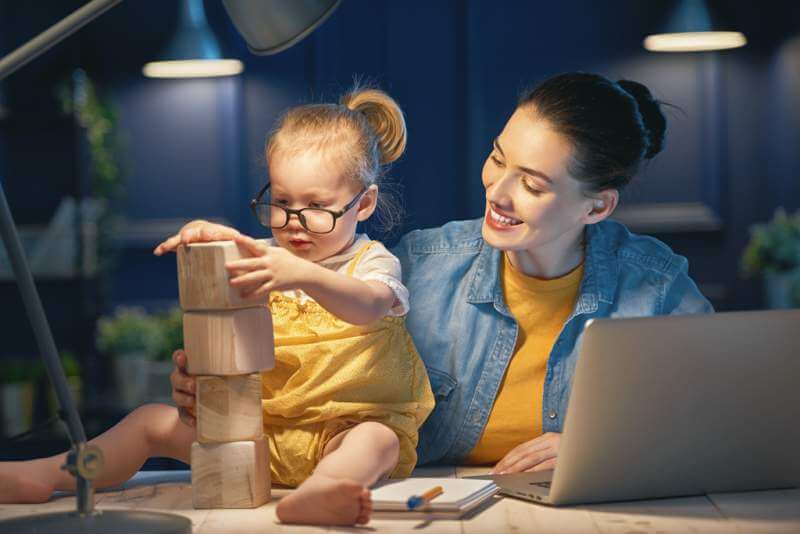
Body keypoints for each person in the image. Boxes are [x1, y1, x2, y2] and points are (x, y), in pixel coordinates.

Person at [163, 72, 713, 478]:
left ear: (596, 208)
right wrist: (222, 390)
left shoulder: (657, 288)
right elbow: (319, 382)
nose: (496, 192)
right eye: (498, 158)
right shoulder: (419, 267)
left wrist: (606, 448)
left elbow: (734, 424)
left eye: (534, 184)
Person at [0, 87, 434, 527]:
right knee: (149, 421)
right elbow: (225, 280)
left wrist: (301, 273)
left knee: (377, 441)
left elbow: (370, 305)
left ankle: (326, 490)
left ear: (364, 204)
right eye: (282, 202)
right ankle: (48, 474)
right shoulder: (260, 256)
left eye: (317, 207)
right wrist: (209, 238)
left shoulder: (373, 261)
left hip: (339, 434)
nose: (293, 224)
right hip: (252, 437)